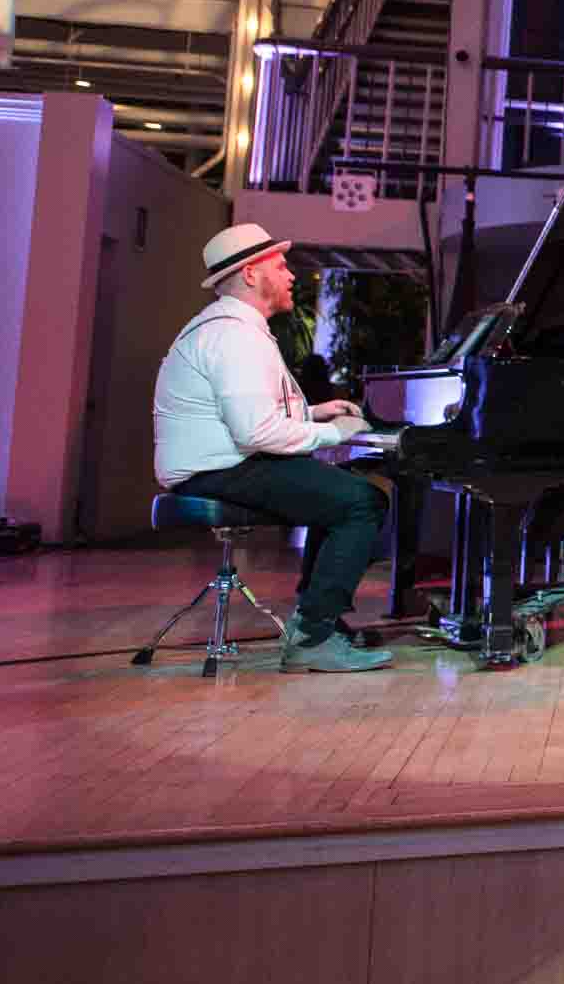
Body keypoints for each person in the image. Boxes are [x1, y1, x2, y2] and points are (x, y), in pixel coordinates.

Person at [153, 224, 393, 672]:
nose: (291, 276)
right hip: (220, 470)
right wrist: (335, 433)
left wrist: (313, 413)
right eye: (280, 266)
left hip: (221, 462)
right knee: (361, 502)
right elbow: (254, 433)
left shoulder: (233, 328)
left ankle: (315, 620)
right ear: (250, 275)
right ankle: (313, 636)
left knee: (342, 493)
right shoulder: (234, 336)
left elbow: (247, 415)